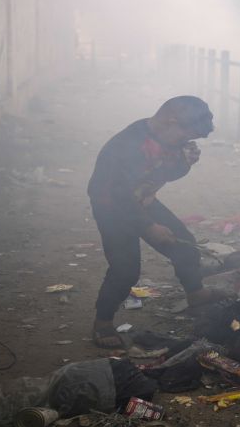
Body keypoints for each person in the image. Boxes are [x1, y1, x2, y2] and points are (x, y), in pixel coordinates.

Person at [87, 96, 222, 348]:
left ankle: (196, 293)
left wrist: (184, 163)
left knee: (185, 247)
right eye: (186, 136)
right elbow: (117, 196)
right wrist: (148, 226)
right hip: (113, 208)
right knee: (125, 269)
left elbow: (164, 174)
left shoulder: (166, 139)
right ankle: (102, 323)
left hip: (142, 199)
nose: (186, 142)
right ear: (172, 122)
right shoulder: (126, 146)